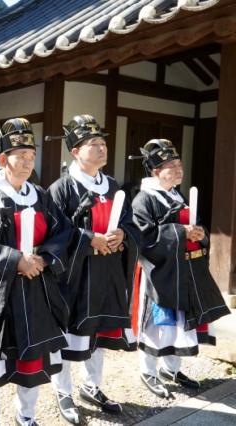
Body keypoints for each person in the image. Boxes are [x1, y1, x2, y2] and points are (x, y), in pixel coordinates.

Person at [0, 117, 71, 426]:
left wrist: (44, 259)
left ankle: (26, 415)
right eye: (19, 155)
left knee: (31, 361)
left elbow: (63, 231)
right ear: (2, 159)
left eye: (31, 156)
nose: (26, 162)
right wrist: (14, 260)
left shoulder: (41, 196)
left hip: (35, 290)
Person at [47, 115, 141, 423]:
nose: (102, 149)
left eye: (103, 143)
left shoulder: (113, 185)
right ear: (75, 151)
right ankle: (63, 390)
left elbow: (129, 221)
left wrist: (123, 235)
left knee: (98, 333)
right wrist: (90, 240)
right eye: (93, 144)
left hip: (107, 272)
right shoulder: (61, 189)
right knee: (68, 333)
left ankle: (93, 385)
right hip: (76, 276)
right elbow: (53, 235)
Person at [131, 139, 230, 398]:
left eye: (179, 165)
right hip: (158, 271)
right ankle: (148, 370)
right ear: (155, 172)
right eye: (170, 166)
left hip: (182, 270)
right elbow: (144, 237)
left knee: (180, 322)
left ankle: (171, 368)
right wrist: (180, 231)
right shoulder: (144, 199)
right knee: (156, 322)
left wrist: (199, 233)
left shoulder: (177, 195)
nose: (178, 170)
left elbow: (194, 226)